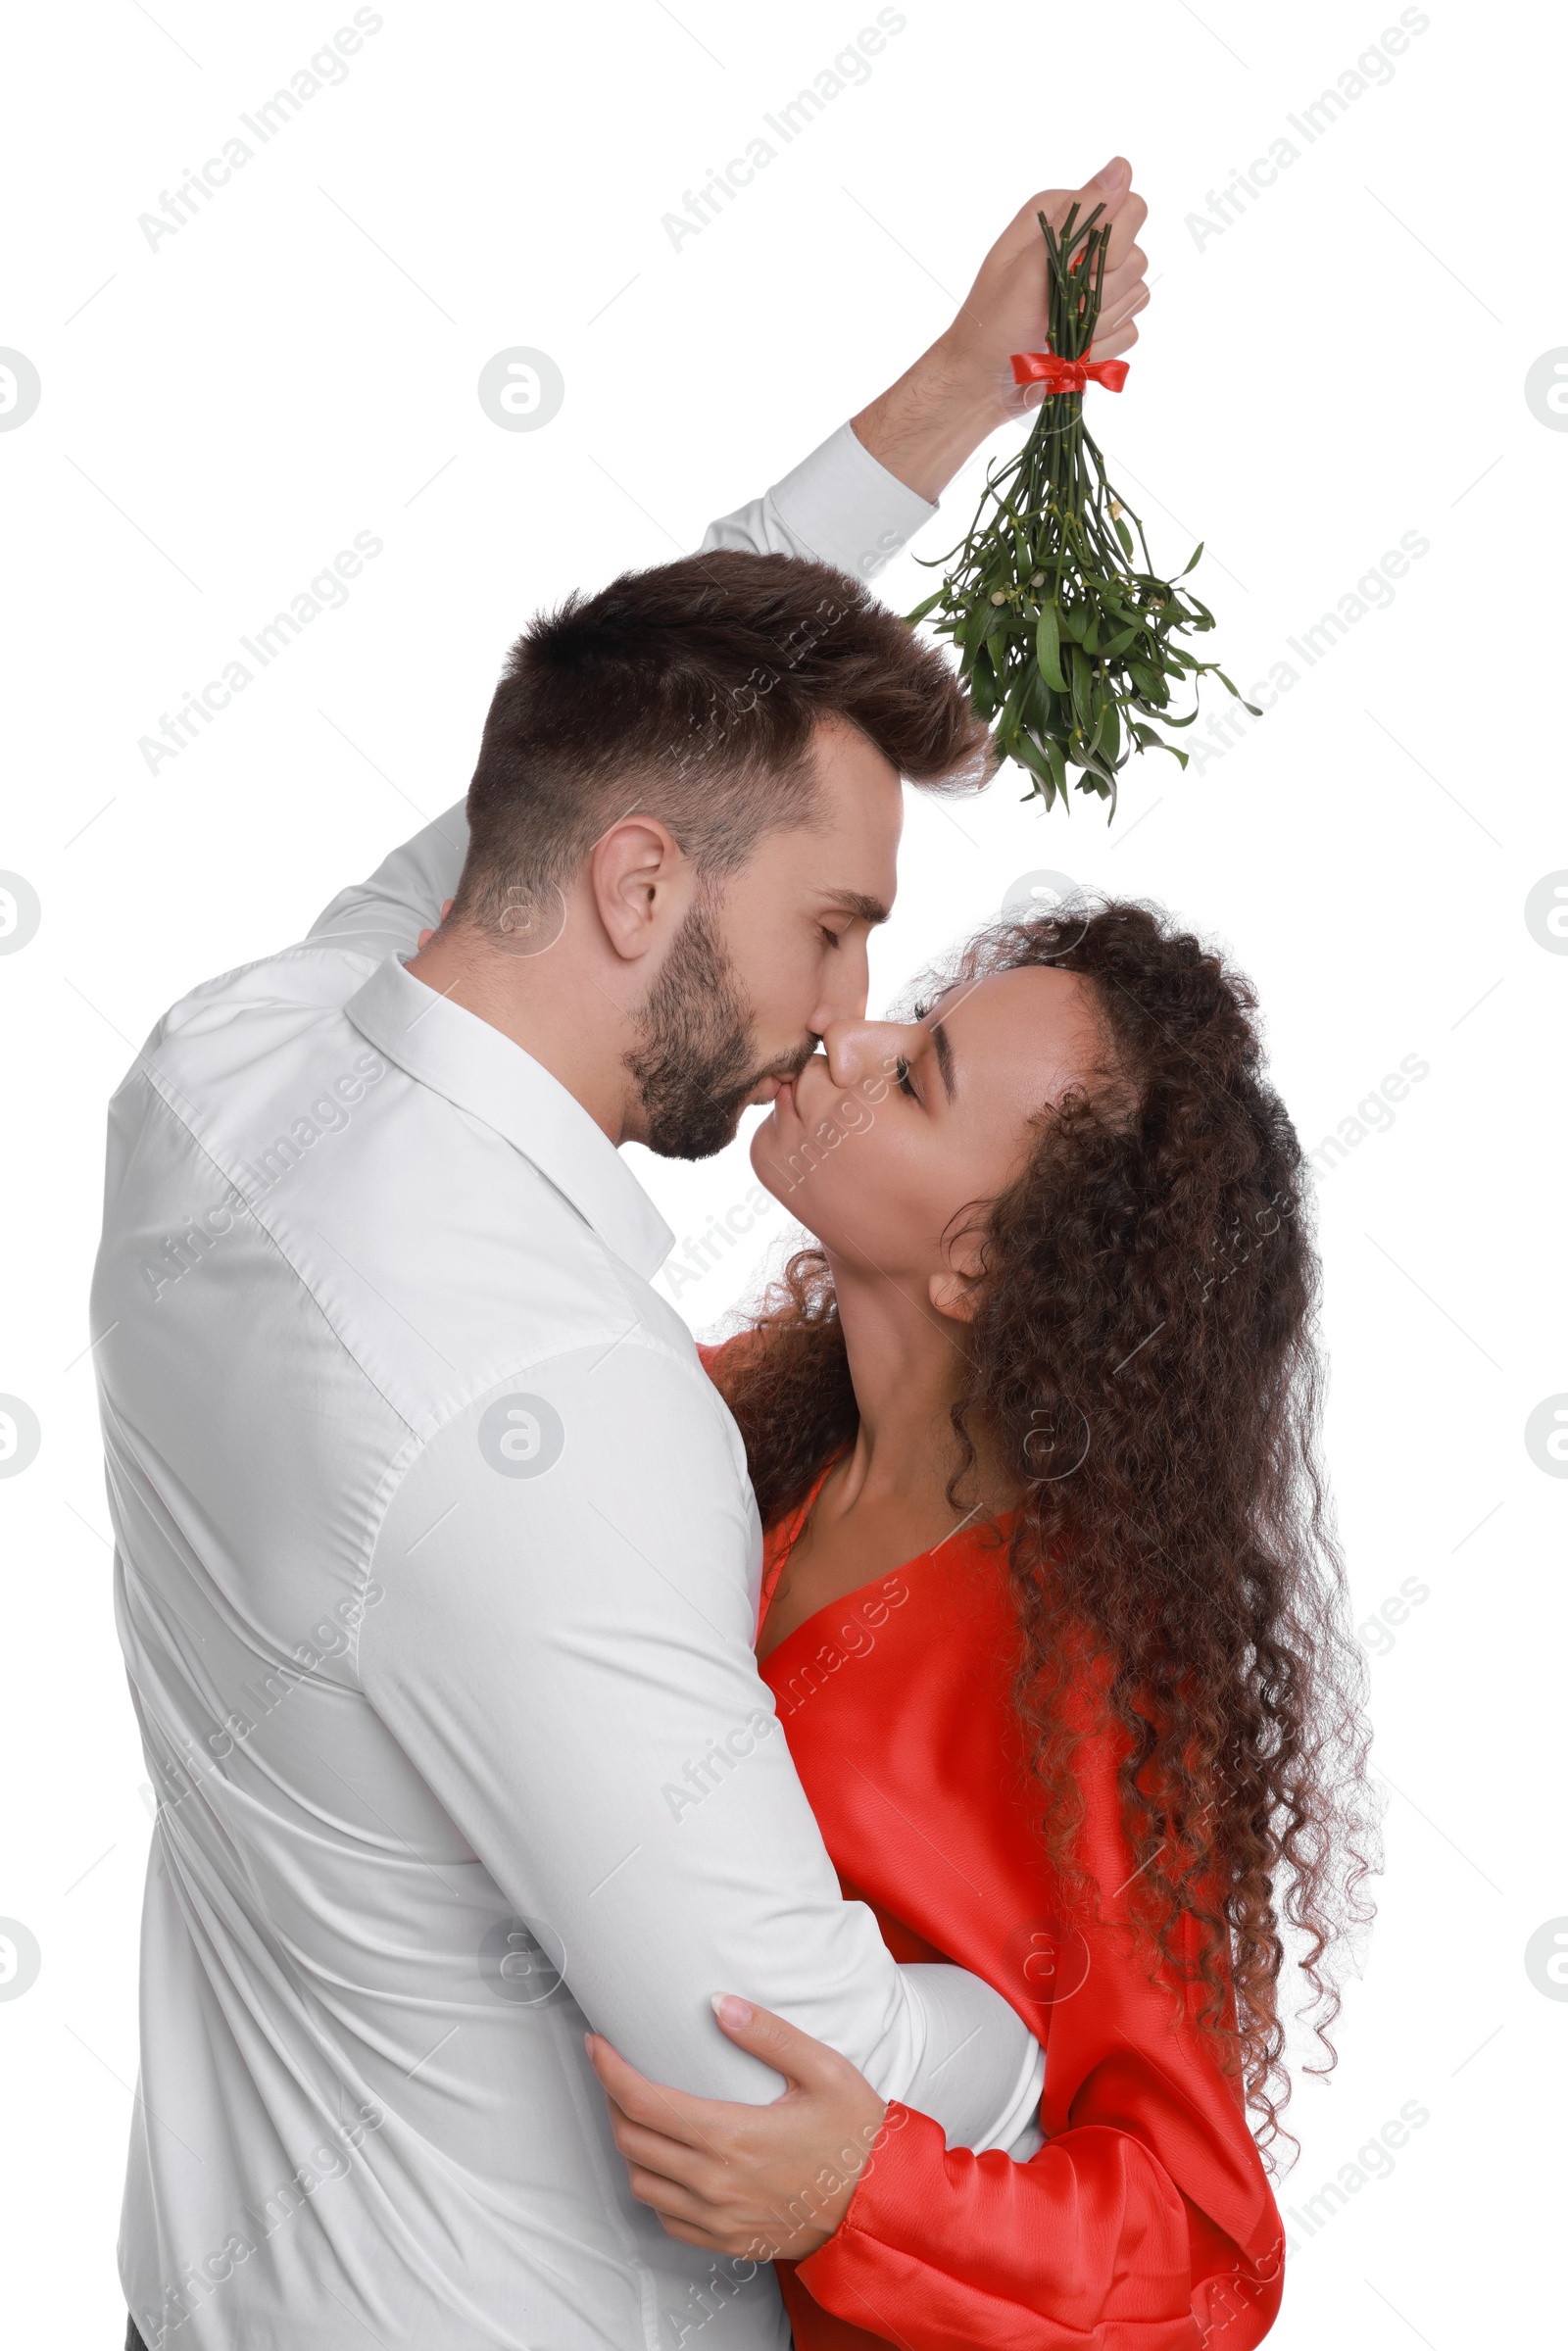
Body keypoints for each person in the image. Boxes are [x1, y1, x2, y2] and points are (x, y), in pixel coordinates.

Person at [97, 168, 1152, 2350]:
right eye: (836, 931)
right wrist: (1020, 2035)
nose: (845, 1014)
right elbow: (776, 2058)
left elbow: (616, 723)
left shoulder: (227, 1060)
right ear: (643, 891)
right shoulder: (565, 1421)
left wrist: (958, 395)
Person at [583, 904, 1378, 2348]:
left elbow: (1197, 2253)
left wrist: (859, 2189)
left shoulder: (1086, 1664)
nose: (851, 1035)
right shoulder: (757, 1420)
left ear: (978, 1263)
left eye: (917, 1074)